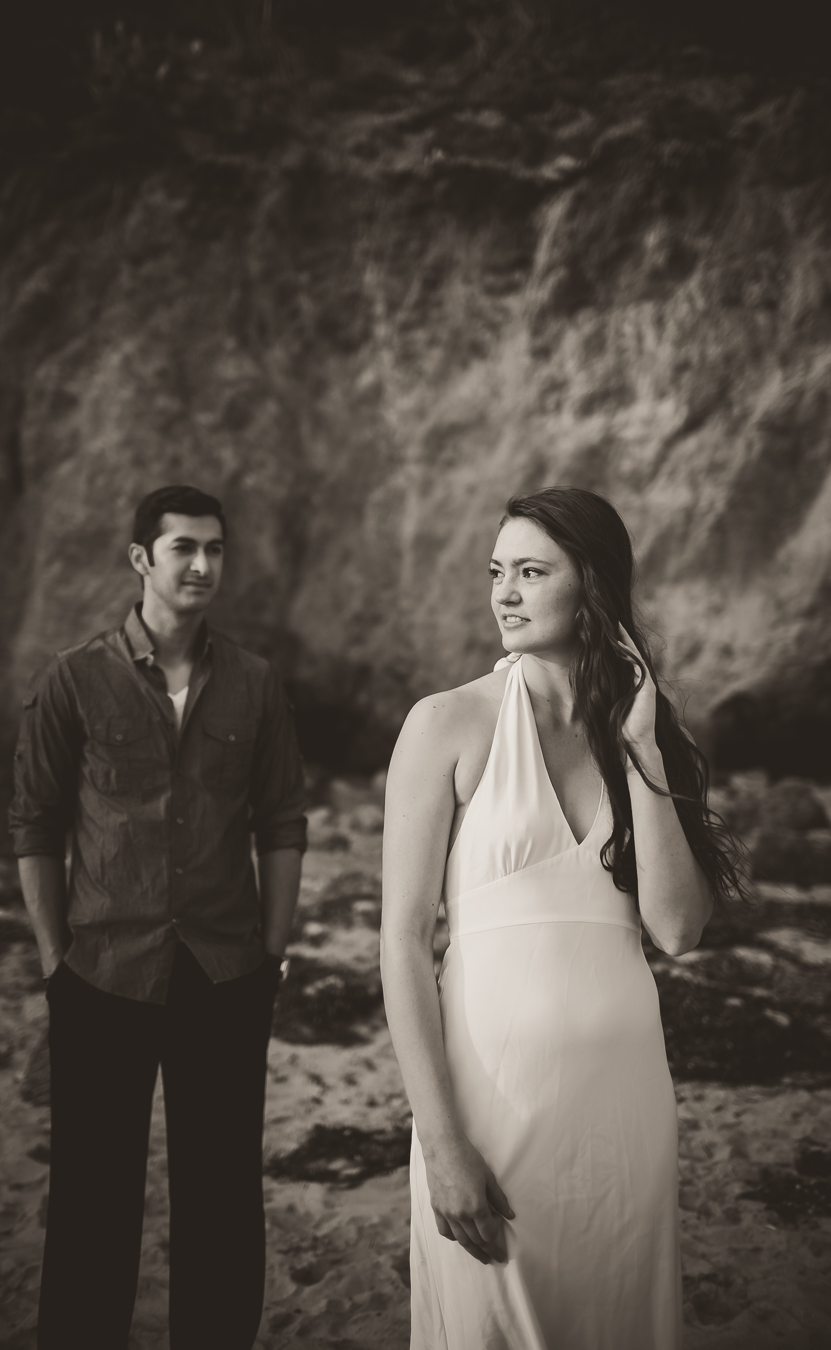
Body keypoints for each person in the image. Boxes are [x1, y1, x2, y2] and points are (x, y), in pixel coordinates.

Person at [380, 487, 746, 1350]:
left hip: (622, 1116)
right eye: (498, 572)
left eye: (532, 572)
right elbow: (400, 943)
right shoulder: (446, 724)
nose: (505, 593)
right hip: (489, 1110)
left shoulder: (639, 731)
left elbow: (676, 928)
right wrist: (441, 1143)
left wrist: (645, 751)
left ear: (591, 588)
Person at [9, 484, 307, 1350]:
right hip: (101, 975)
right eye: (184, 548)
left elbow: (282, 819)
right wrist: (52, 954)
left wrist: (273, 952)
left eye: (215, 549)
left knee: (221, 1198)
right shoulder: (75, 679)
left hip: (224, 975)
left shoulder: (254, 684)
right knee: (92, 1201)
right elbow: (35, 821)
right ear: (142, 558)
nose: (203, 565)